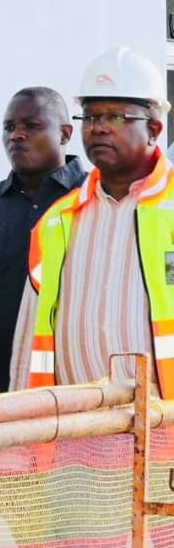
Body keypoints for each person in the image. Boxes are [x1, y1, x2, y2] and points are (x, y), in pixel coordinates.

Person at [11, 46, 172, 392]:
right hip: (77, 434)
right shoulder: (58, 222)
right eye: (90, 117)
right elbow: (29, 342)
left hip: (165, 431)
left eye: (115, 117)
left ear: (155, 129)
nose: (98, 128)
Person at [0, 88, 86, 394]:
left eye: (31, 126)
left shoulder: (93, 202)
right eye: (9, 127)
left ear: (65, 133)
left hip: (76, 392)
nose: (16, 135)